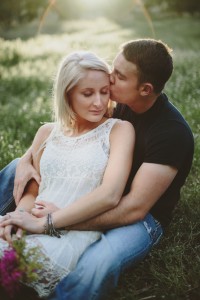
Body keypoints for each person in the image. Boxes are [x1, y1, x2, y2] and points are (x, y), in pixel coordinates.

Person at [0, 39, 194, 300]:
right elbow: (62, 134)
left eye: (119, 76)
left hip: (141, 216)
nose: (109, 79)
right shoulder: (118, 101)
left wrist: (53, 222)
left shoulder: (171, 132)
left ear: (145, 89)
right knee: (16, 168)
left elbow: (133, 207)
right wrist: (27, 158)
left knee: (98, 261)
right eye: (113, 69)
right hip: (102, 189)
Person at [0, 51, 135, 298]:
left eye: (104, 91)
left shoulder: (118, 130)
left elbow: (110, 194)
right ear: (67, 93)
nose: (99, 102)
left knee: (20, 270)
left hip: (75, 231)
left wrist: (47, 222)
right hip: (33, 221)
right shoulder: (46, 132)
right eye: (87, 93)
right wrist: (19, 218)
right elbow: (34, 190)